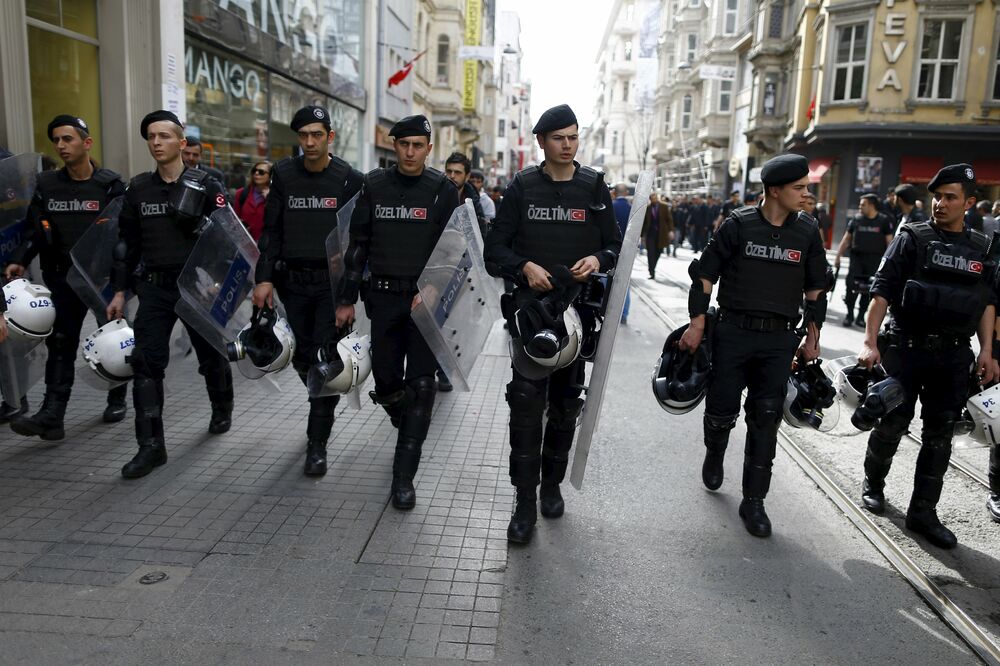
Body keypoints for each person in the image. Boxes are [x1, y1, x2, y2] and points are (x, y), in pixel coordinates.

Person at [484, 103, 620, 544]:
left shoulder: (594, 186)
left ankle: (552, 485)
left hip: (577, 314)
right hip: (531, 312)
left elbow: (617, 247)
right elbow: (494, 252)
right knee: (525, 406)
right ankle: (523, 503)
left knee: (565, 406)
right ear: (540, 141)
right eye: (558, 137)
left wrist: (598, 258)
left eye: (573, 137)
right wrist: (524, 266)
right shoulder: (522, 187)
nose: (567, 145)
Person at [681, 153, 828, 538]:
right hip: (732, 333)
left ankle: (754, 501)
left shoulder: (808, 231)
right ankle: (715, 453)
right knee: (721, 410)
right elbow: (704, 276)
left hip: (779, 339)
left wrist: (812, 339)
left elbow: (816, 290)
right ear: (774, 191)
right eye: (799, 188)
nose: (806, 194)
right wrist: (698, 323)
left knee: (766, 418)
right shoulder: (737, 225)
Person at [857, 163, 996, 549]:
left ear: (969, 203)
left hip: (952, 357)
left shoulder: (982, 249)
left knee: (939, 438)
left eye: (950, 197)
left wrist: (987, 350)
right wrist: (870, 342)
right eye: (937, 196)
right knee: (891, 423)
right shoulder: (912, 238)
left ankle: (923, 513)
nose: (940, 203)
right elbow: (881, 292)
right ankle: (874, 483)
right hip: (905, 349)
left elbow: (987, 304)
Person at [334, 114, 461, 510]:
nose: (410, 152)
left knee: (422, 386)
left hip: (423, 302)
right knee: (388, 383)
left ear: (428, 147)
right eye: (403, 144)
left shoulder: (442, 189)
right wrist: (345, 299)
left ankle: (403, 478)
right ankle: (406, 419)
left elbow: (454, 245)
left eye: (417, 145)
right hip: (384, 299)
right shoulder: (373, 184)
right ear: (394, 146)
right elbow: (357, 245)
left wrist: (435, 287)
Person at [105, 110, 233, 479]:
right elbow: (125, 245)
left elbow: (227, 237)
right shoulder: (139, 189)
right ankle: (151, 448)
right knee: (145, 365)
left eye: (164, 136)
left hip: (196, 288)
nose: (156, 142)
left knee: (211, 356)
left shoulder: (208, 186)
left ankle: (221, 405)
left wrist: (220, 280)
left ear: (181, 143)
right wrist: (118, 291)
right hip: (155, 289)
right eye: (151, 137)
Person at [252, 106, 363, 476]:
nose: (310, 142)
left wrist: (348, 296)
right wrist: (263, 278)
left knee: (324, 358)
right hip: (291, 283)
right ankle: (318, 391)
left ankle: (317, 444)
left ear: (330, 136)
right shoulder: (283, 174)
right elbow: (272, 230)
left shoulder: (349, 178)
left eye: (317, 135)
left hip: (329, 287)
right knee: (300, 358)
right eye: (304, 136)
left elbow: (357, 243)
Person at [4, 115, 128, 440]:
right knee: (60, 345)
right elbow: (34, 228)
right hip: (61, 279)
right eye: (57, 140)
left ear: (86, 143)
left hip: (101, 281)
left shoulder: (110, 184)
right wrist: (20, 260)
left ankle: (117, 397)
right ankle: (52, 416)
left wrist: (121, 282)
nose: (61, 145)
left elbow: (124, 236)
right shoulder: (47, 184)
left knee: (112, 341)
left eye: (67, 139)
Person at [440, 151, 490, 392]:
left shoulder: (473, 203)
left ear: (467, 176)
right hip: (437, 268)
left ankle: (446, 367)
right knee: (436, 318)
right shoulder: (436, 194)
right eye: (448, 171)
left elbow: (479, 236)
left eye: (457, 172)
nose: (452, 176)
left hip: (463, 270)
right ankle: (435, 365)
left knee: (455, 320)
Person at [833, 194, 893, 327]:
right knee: (851, 287)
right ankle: (849, 315)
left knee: (868, 290)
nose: (860, 207)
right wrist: (838, 256)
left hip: (875, 261)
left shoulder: (883, 220)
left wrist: (890, 262)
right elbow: (846, 239)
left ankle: (861, 317)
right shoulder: (856, 219)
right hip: (857, 260)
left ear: (871, 205)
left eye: (863, 204)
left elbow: (890, 242)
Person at [234, 161, 271, 241]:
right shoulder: (241, 193)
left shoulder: (275, 197)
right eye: (254, 171)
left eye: (261, 172)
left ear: (270, 176)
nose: (256, 173)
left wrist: (269, 199)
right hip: (243, 244)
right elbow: (234, 219)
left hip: (265, 246)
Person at [641, 192, 673, 280]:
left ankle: (653, 267)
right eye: (652, 198)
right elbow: (644, 223)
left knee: (658, 252)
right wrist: (642, 236)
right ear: (650, 199)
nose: (653, 200)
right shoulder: (647, 208)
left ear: (657, 198)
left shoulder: (664, 206)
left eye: (655, 198)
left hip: (661, 234)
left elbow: (669, 220)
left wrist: (670, 231)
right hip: (650, 234)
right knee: (650, 253)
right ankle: (652, 272)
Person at [611, 184, 631, 324]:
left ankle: (609, 311)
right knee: (625, 281)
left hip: (612, 247)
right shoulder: (632, 208)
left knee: (608, 278)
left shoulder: (611, 206)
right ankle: (623, 314)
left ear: (614, 192)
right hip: (628, 247)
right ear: (627, 192)